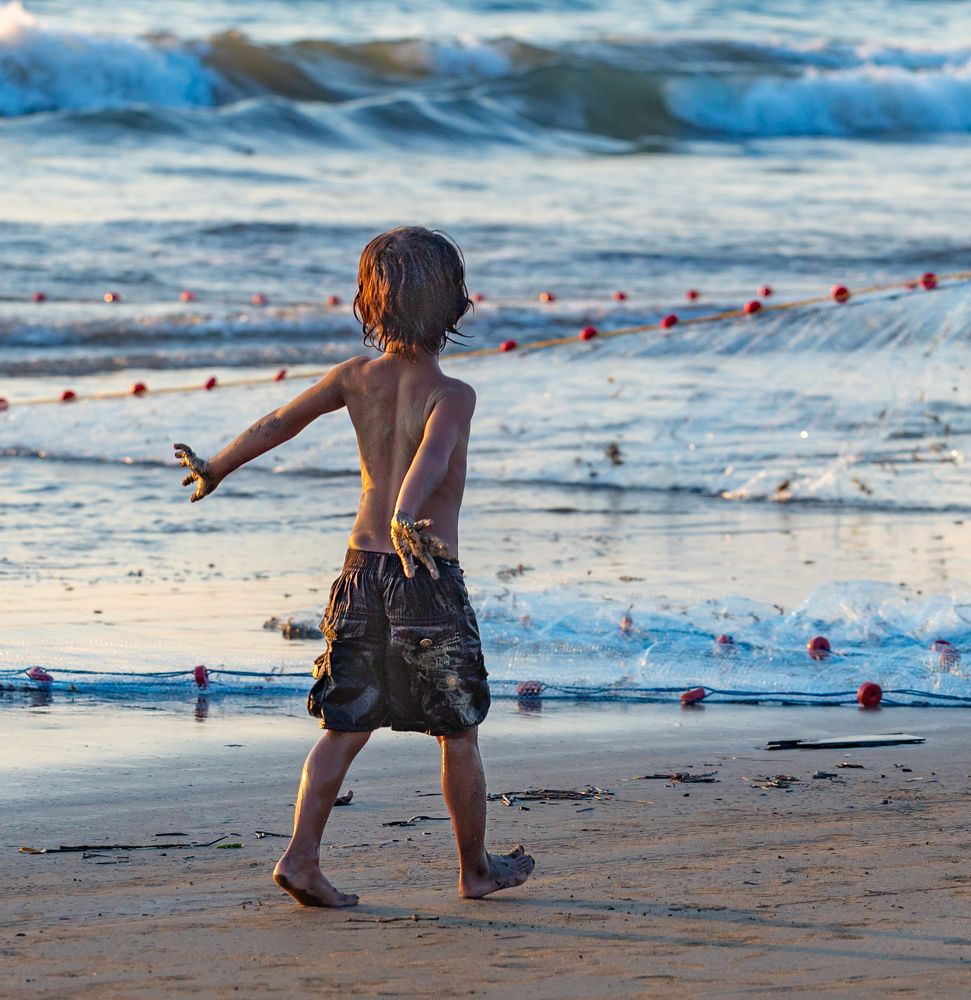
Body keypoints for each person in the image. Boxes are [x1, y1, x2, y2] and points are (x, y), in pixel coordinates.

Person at [173, 226, 534, 907]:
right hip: (423, 572)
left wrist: (216, 465)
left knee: (344, 724)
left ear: (369, 306)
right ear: (454, 304)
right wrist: (406, 516)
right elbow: (430, 458)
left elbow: (278, 422)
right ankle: (474, 869)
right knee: (457, 729)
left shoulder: (353, 377)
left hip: (360, 572)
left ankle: (301, 858)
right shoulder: (453, 393)